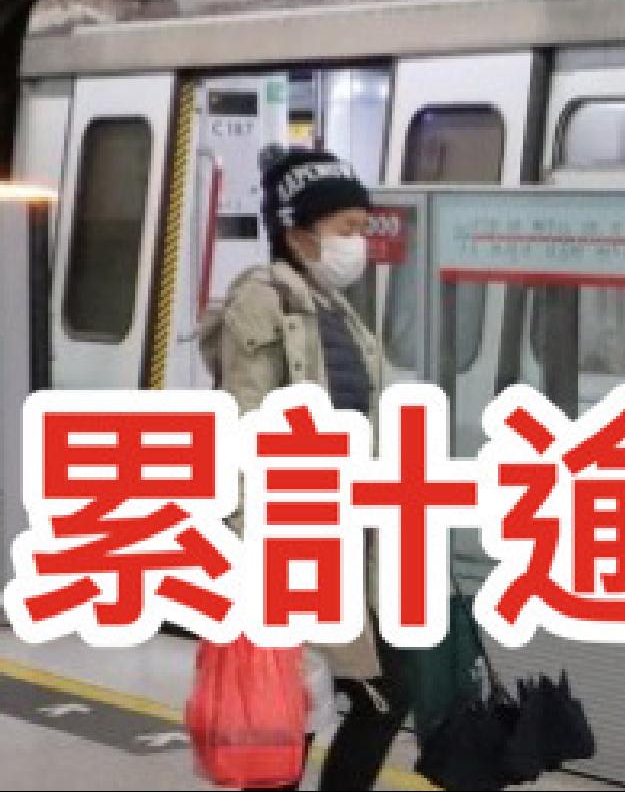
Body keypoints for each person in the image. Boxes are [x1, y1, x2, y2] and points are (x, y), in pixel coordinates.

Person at [198, 146, 407, 792]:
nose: (359, 242)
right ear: (298, 233)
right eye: (347, 227)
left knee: (351, 694)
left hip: (345, 534)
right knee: (297, 701)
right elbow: (242, 423)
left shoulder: (333, 305)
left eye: (363, 227)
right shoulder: (263, 301)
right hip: (289, 535)